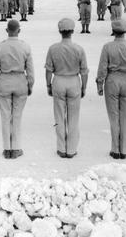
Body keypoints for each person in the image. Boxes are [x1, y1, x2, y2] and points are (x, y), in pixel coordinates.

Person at [96, 19, 126, 160]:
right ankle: (124, 150)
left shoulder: (107, 47)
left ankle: (115, 149)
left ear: (114, 31)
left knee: (114, 117)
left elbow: (102, 68)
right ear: (125, 31)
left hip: (112, 81)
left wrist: (100, 84)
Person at [45, 18, 88, 158]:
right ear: (72, 31)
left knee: (59, 116)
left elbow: (48, 70)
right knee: (73, 118)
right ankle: (71, 150)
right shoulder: (79, 49)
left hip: (58, 80)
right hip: (74, 81)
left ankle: (61, 148)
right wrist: (84, 87)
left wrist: (48, 84)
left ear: (59, 31)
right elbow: (84, 71)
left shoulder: (53, 48)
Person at [0, 19, 34, 159]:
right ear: (19, 31)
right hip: (20, 81)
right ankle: (16, 148)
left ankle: (7, 149)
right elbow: (30, 70)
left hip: (4, 80)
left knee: (5, 117)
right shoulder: (25, 47)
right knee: (17, 116)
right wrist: (30, 84)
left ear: (6, 30)